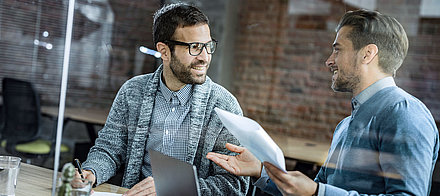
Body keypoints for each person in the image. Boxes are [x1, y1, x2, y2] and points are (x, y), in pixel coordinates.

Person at [207, 9, 439, 196]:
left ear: (367, 54)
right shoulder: (345, 125)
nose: (329, 61)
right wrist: (261, 171)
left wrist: (319, 192)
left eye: (337, 50)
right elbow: (312, 190)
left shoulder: (405, 114)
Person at [77, 3, 249, 195]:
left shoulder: (224, 106)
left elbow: (234, 184)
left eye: (208, 46)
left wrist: (173, 188)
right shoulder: (132, 91)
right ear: (164, 51)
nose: (205, 57)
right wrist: (90, 172)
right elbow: (109, 149)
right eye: (194, 47)